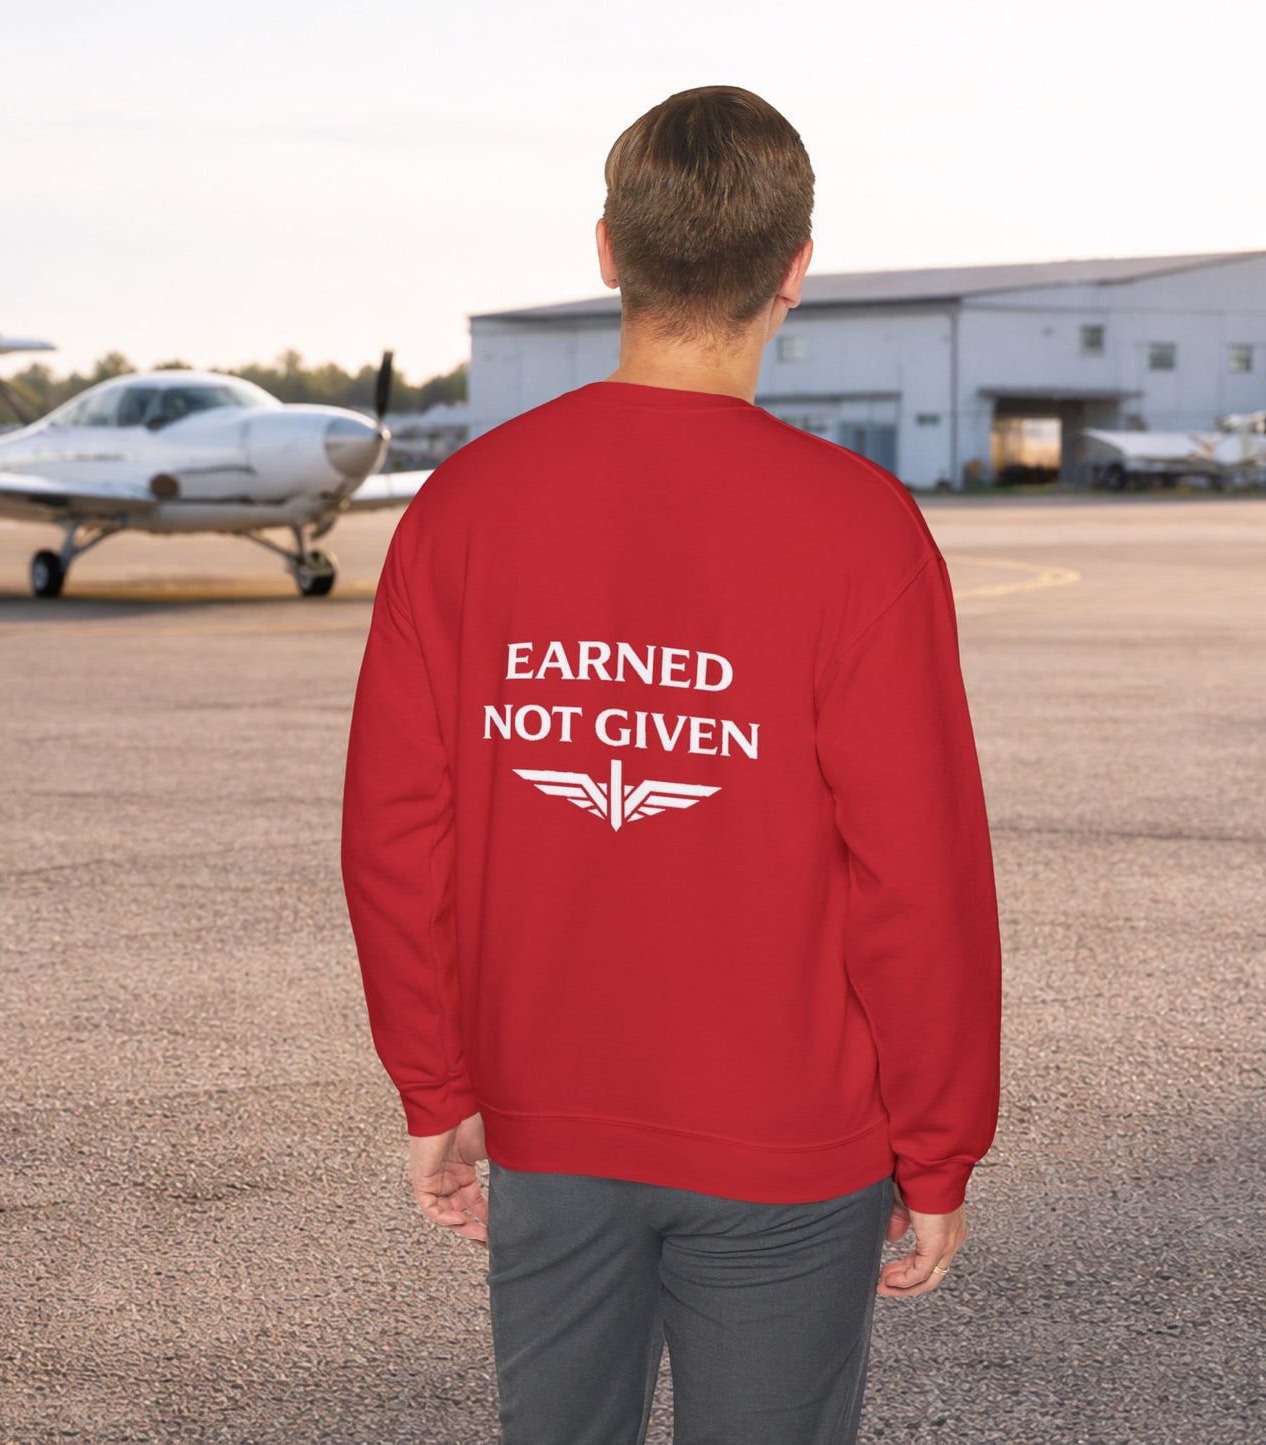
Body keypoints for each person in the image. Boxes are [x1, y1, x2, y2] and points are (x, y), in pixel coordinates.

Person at [341, 84, 1002, 1445]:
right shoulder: (857, 531)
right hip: (788, 1138)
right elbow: (918, 873)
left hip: (547, 1117)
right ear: (796, 271)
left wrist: (438, 1082)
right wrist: (935, 1142)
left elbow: (396, 833)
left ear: (604, 252)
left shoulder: (462, 507)